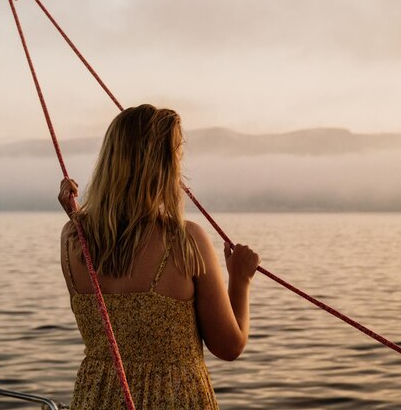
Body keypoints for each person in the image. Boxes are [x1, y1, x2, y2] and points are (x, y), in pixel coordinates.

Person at [58, 104, 260, 410]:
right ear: (165, 167)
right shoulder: (185, 240)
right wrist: (240, 280)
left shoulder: (72, 239)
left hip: (96, 399)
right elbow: (229, 345)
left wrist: (78, 218)